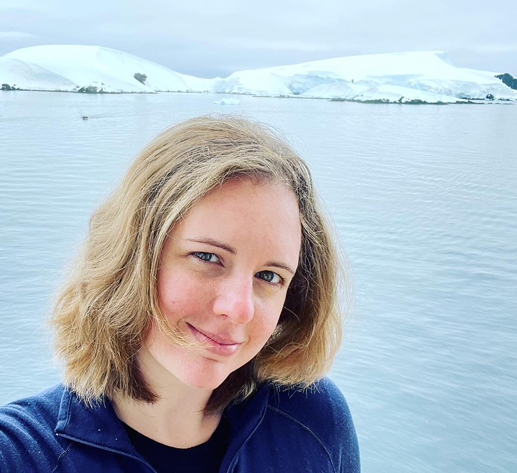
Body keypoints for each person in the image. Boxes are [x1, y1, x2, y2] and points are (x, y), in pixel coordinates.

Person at [0, 116, 360, 472]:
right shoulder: (19, 456)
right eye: (208, 257)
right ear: (131, 258)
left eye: (269, 276)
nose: (239, 308)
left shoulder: (314, 421)